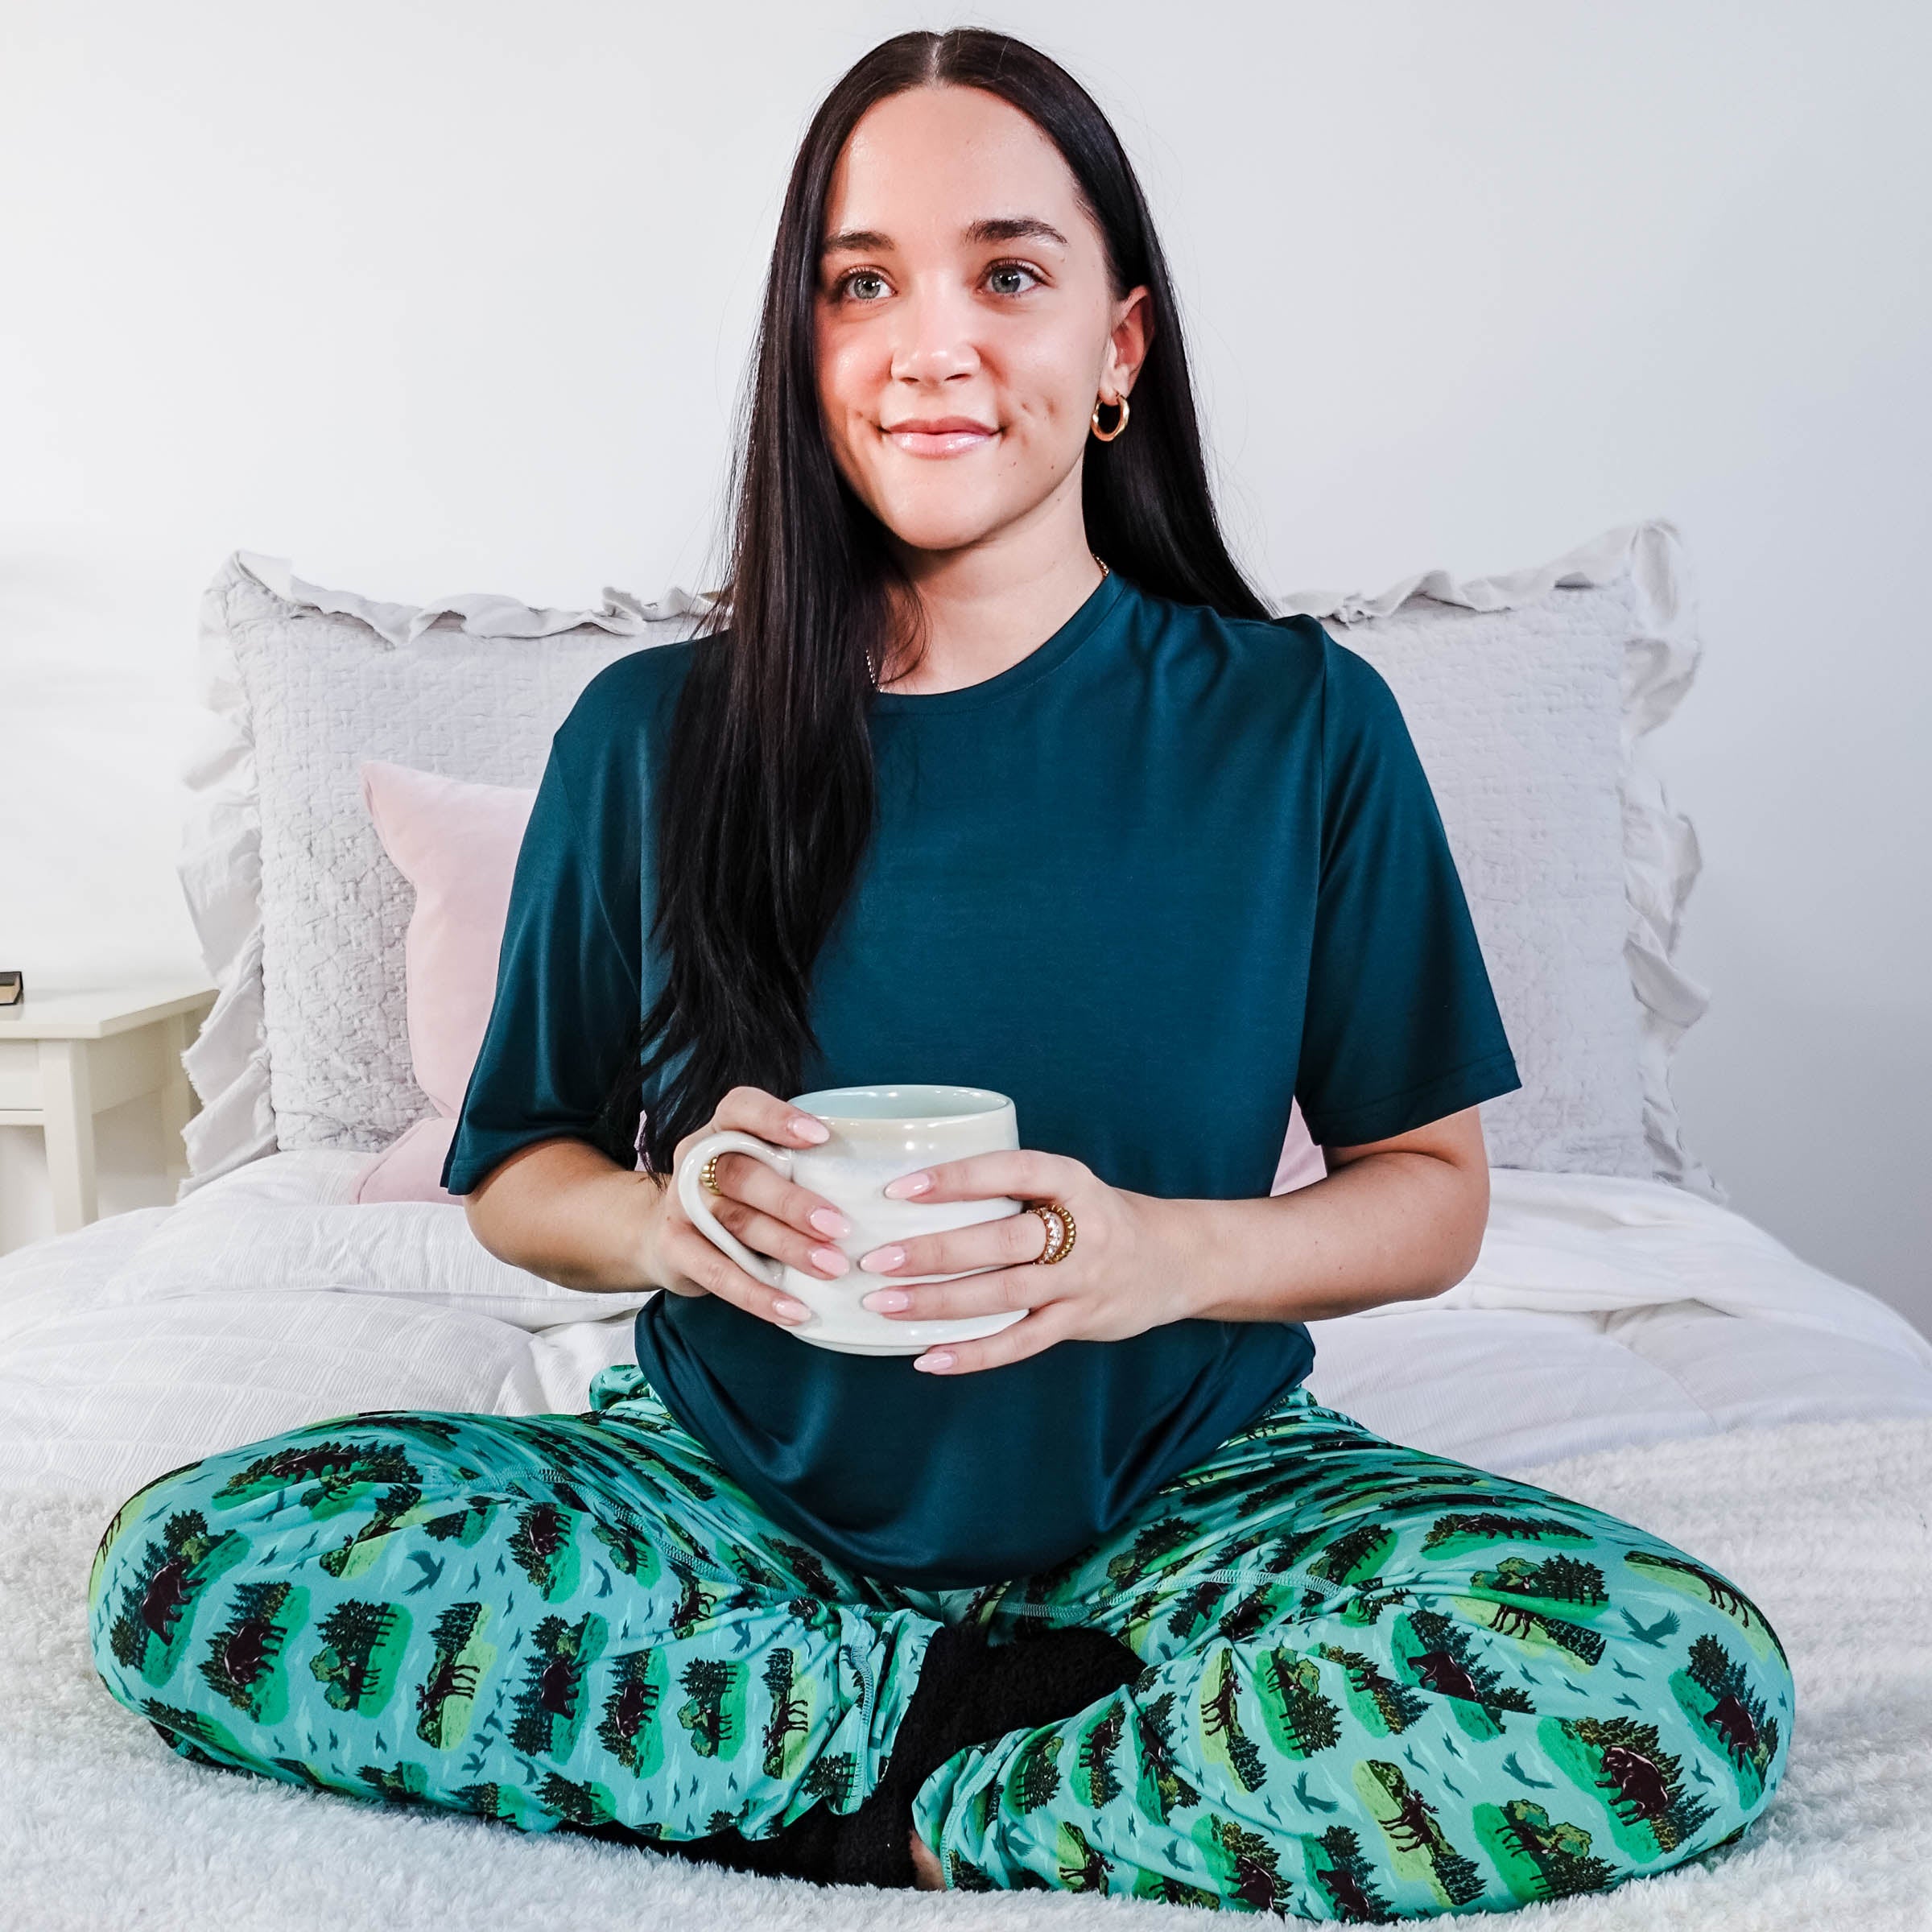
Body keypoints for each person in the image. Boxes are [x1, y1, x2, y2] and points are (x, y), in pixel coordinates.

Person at [88, 27, 1793, 1916]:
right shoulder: (649, 737)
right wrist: (672, 1227)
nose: (932, 344)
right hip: (731, 1492)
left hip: (1188, 1486)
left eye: (1008, 275)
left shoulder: (1303, 724)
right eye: (861, 284)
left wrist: (1162, 1255)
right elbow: (518, 1175)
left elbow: (1432, 1199)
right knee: (202, 1563)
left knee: (1672, 1672)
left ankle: (921, 1797)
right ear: (805, 350)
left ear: (1116, 346)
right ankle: (977, 1727)